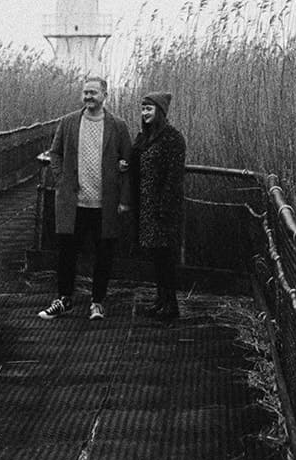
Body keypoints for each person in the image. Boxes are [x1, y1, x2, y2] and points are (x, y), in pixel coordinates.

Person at [39, 75, 134, 321]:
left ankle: (97, 302)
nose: (88, 96)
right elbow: (55, 153)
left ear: (105, 95)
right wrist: (61, 180)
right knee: (67, 253)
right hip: (74, 202)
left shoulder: (118, 125)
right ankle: (63, 299)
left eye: (93, 92)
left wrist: (124, 199)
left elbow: (128, 161)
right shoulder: (69, 122)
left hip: (104, 203)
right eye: (85, 92)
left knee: (103, 254)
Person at [130, 91, 187, 320]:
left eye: (149, 109)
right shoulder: (144, 137)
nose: (144, 113)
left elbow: (174, 177)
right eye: (143, 109)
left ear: (160, 111)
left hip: (164, 209)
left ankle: (171, 304)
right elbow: (135, 160)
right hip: (146, 206)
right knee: (156, 257)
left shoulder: (173, 138)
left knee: (166, 258)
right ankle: (160, 299)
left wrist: (164, 208)